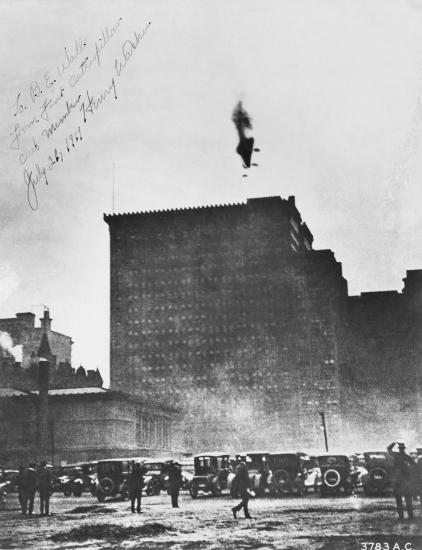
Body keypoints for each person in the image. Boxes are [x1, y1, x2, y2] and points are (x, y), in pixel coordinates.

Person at [387, 441, 414, 520]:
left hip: (398, 481)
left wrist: (393, 443)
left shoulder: (396, 456)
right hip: (406, 481)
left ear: (399, 449)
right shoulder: (407, 457)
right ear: (404, 449)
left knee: (399, 500)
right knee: (408, 500)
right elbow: (413, 467)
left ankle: (401, 516)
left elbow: (389, 449)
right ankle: (410, 516)